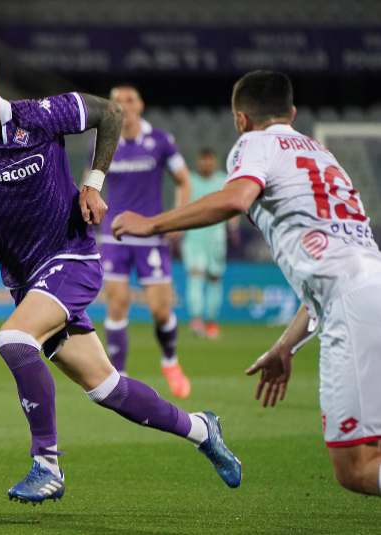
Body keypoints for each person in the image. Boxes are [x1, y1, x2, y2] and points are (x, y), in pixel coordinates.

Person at [0, 42, 241, 504]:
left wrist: (93, 184)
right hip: (26, 280)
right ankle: (202, 429)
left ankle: (47, 465)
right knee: (106, 387)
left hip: (70, 259)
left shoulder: (39, 115)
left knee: (14, 341)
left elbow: (110, 113)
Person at [111, 70, 381, 497]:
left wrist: (153, 224)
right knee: (372, 455)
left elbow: (236, 199)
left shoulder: (256, 143)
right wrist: (285, 346)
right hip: (369, 287)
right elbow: (333, 277)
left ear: (240, 119)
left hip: (352, 304)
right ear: (292, 112)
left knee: (357, 468)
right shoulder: (323, 154)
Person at [94, 85, 192, 398]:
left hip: (150, 236)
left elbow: (183, 180)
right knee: (117, 302)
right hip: (115, 235)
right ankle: (117, 377)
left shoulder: (161, 141)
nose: (123, 105)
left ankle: (170, 360)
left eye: (129, 100)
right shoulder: (104, 142)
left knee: (160, 310)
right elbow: (91, 184)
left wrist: (177, 216)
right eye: (117, 101)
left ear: (140, 105)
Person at [181, 148, 240, 339]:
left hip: (216, 238)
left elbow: (232, 206)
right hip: (194, 237)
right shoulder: (189, 181)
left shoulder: (223, 181)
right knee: (196, 277)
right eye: (203, 160)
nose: (206, 164)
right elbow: (181, 206)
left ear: (214, 162)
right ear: (198, 162)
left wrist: (233, 228)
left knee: (214, 278)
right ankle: (196, 320)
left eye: (209, 160)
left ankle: (212, 322)